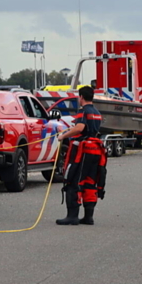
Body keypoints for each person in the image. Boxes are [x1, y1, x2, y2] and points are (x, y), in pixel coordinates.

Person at [56, 86, 107, 226]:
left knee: (73, 180)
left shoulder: (83, 111)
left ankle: (72, 216)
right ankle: (88, 216)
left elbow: (80, 128)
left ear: (81, 97)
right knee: (90, 181)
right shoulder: (97, 112)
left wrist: (63, 136)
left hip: (83, 151)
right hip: (95, 150)